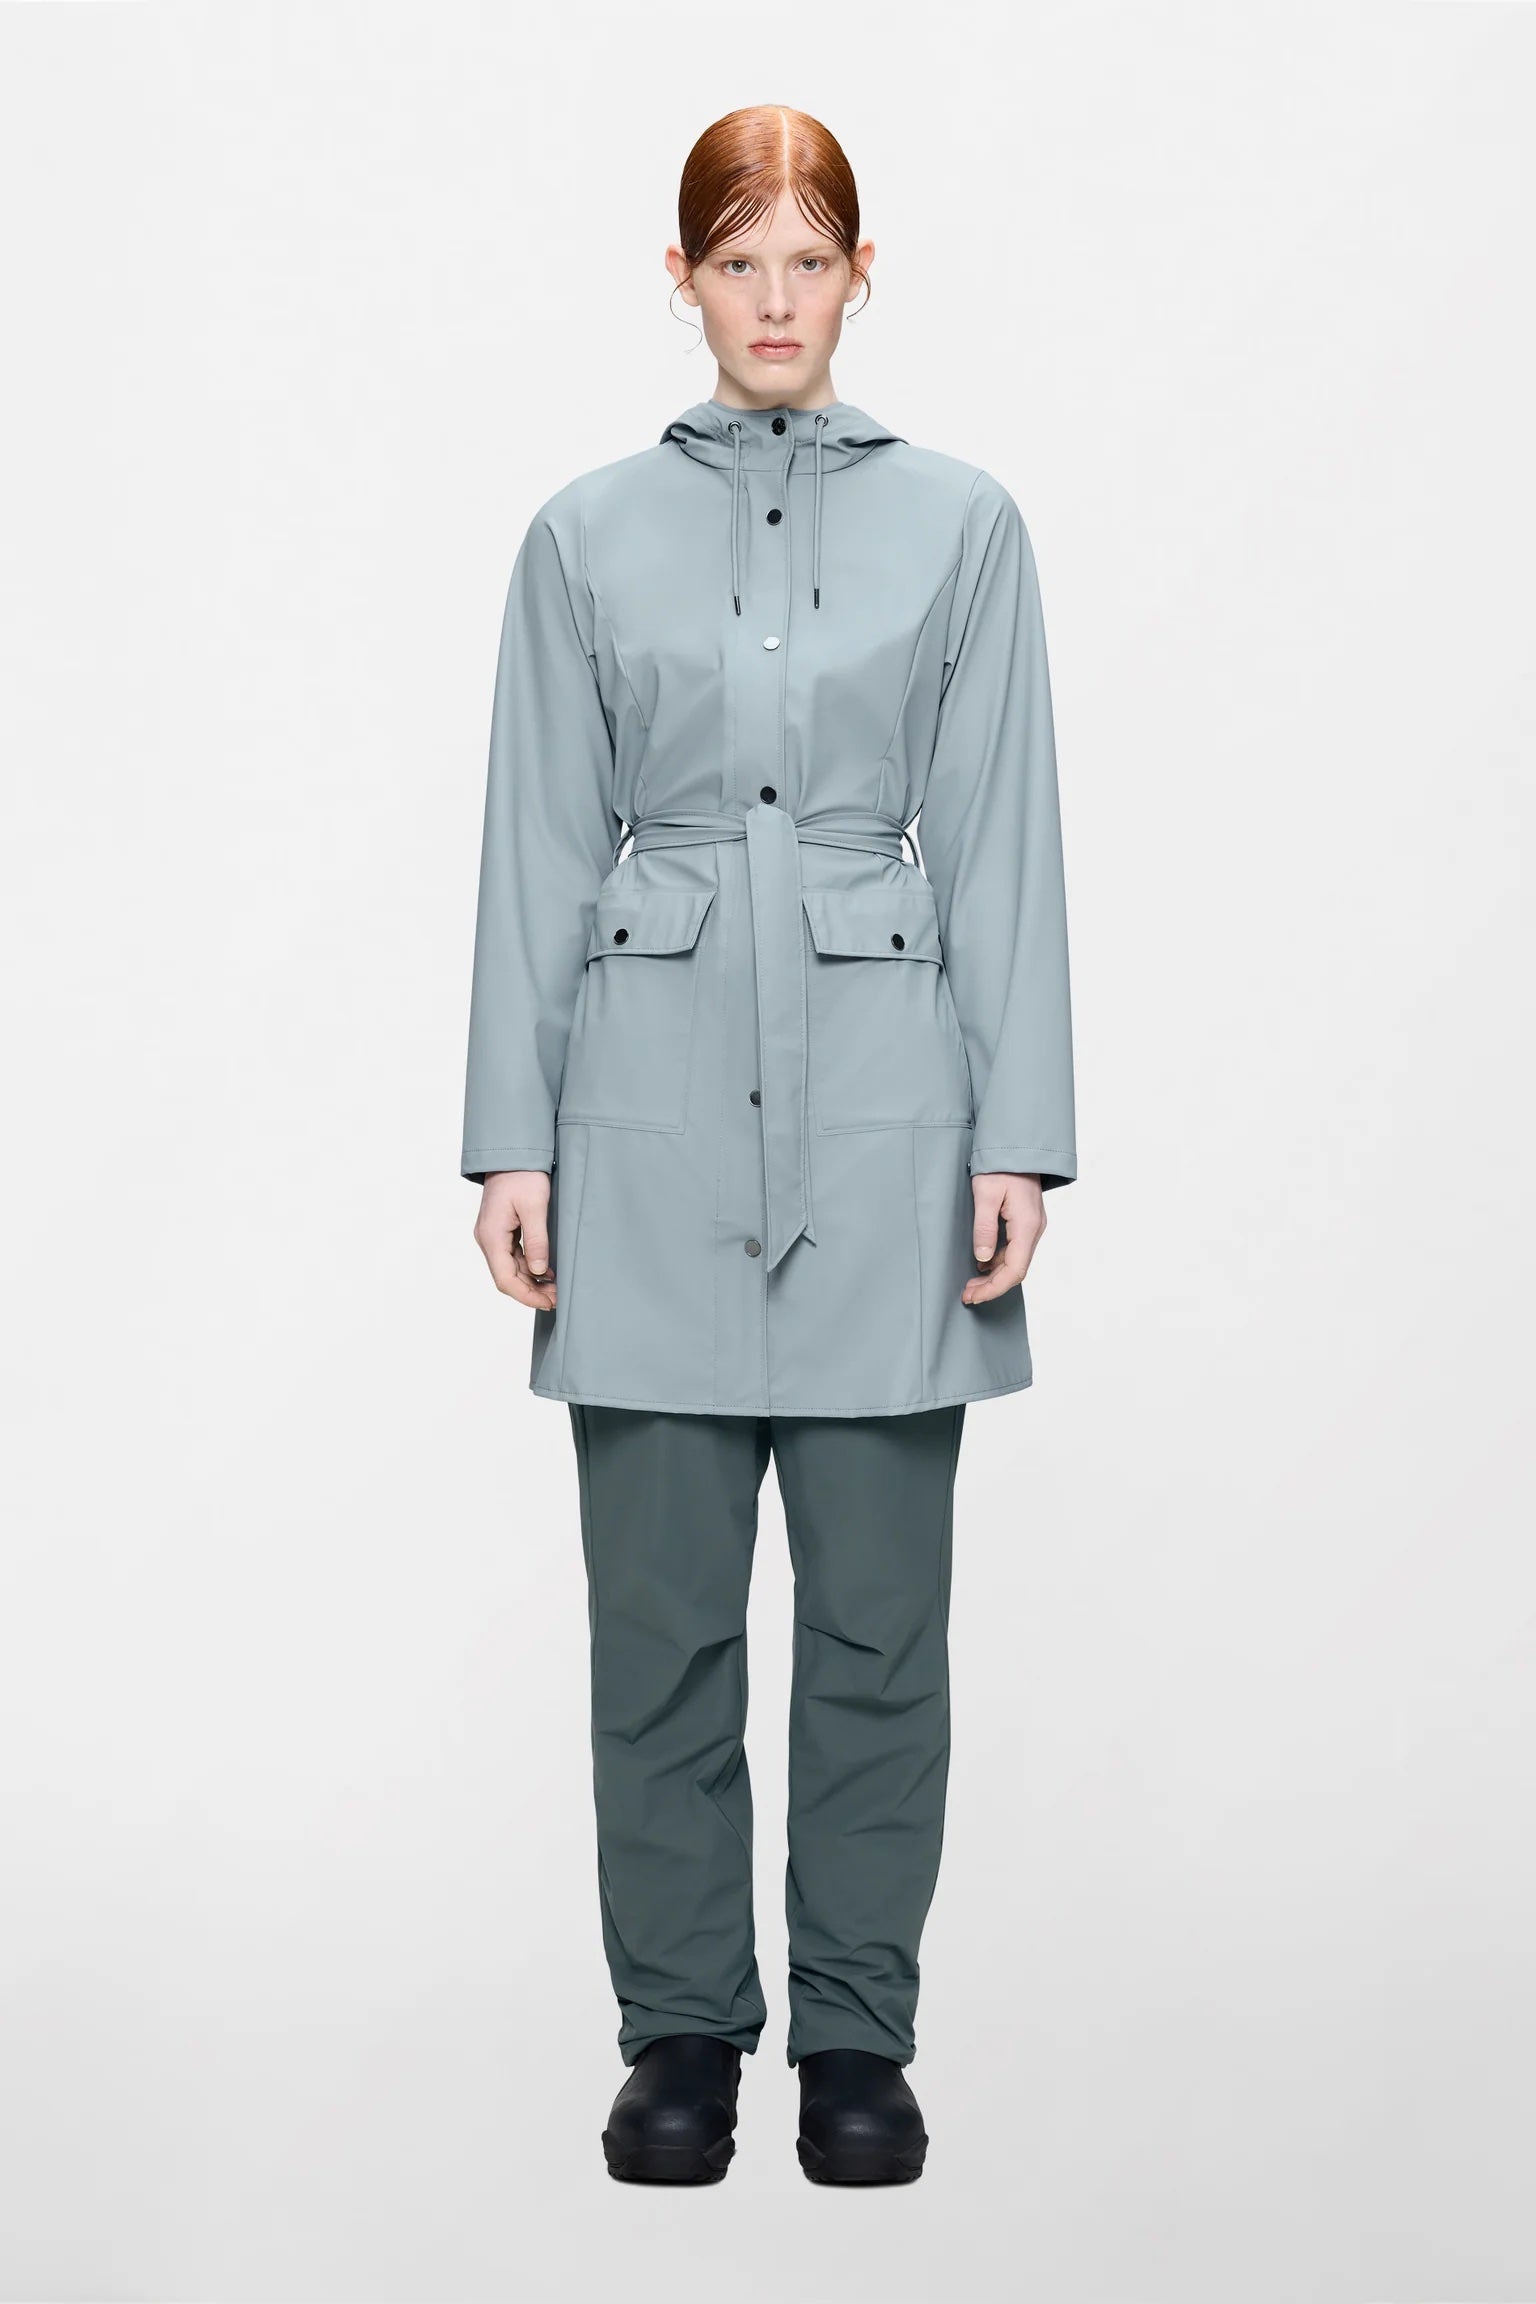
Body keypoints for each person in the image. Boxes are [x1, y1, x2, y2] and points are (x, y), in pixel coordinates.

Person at [462, 103, 1076, 2186]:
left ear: (862, 275)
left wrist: (1020, 1134)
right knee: (662, 1627)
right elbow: (538, 844)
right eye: (741, 261)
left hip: (894, 1124)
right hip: (637, 1126)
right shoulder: (580, 538)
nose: (777, 298)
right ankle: (680, 2039)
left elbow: (999, 843)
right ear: (684, 281)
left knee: (883, 1626)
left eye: (811, 258)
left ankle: (855, 2041)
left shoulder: (967, 528)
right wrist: (511, 1140)